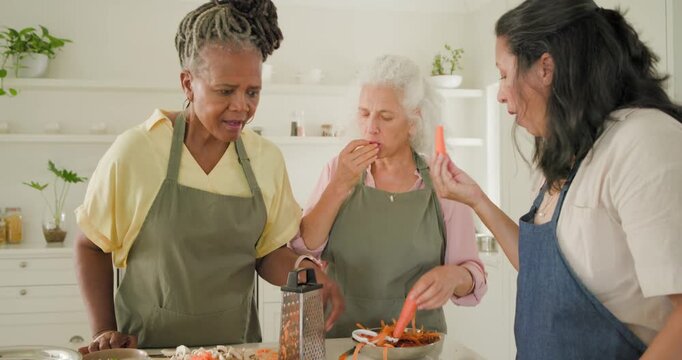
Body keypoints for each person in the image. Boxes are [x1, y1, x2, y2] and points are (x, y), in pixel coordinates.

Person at [74, 0, 343, 351]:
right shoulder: (136, 152)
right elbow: (90, 245)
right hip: (149, 350)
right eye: (225, 91)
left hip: (236, 351)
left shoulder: (265, 159)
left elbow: (265, 253)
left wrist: (306, 271)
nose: (241, 106)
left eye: (252, 92)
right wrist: (103, 331)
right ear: (188, 84)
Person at [430, 1, 682, 358]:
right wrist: (476, 199)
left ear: (545, 68)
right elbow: (544, 271)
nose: (500, 93)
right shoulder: (567, 154)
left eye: (504, 74)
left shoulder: (644, 141)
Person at [290, 55, 487, 338]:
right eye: (364, 112)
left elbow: (473, 276)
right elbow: (302, 248)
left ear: (413, 122)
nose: (371, 126)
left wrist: (454, 276)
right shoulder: (338, 170)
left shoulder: (443, 182)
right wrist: (339, 186)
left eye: (385, 116)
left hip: (419, 345)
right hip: (341, 343)